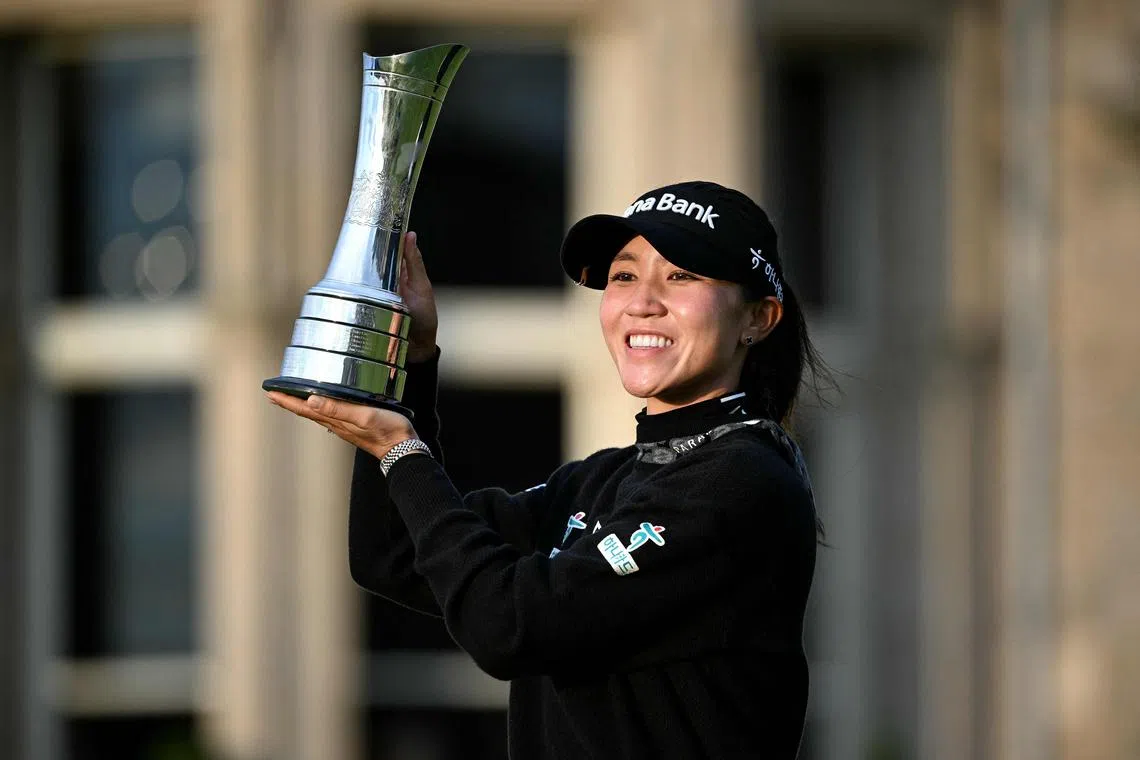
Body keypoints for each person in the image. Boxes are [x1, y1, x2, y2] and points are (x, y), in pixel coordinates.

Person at [268, 181, 823, 759]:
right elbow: (394, 556)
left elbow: (511, 626)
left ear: (758, 317)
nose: (642, 301)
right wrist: (408, 370)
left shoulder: (744, 481)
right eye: (624, 275)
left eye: (681, 276)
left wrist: (400, 448)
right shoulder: (598, 481)